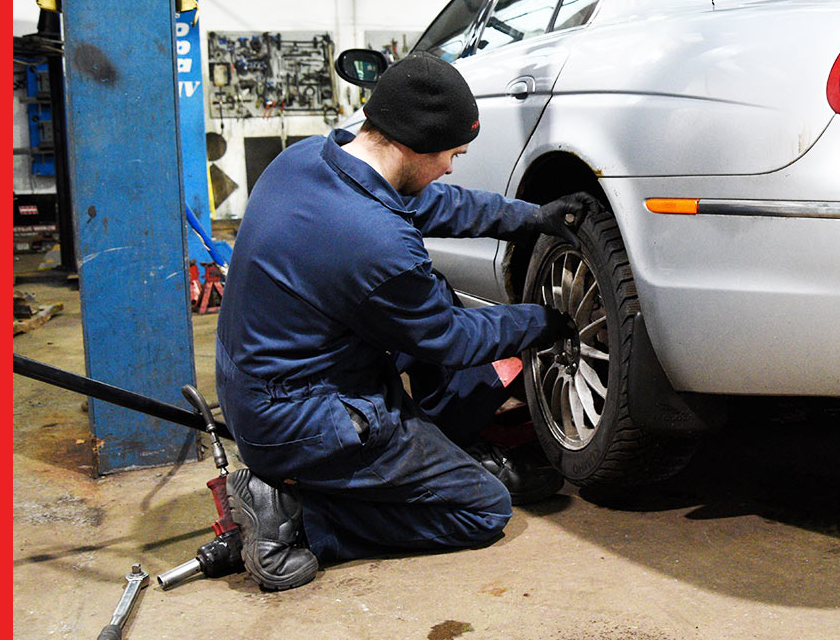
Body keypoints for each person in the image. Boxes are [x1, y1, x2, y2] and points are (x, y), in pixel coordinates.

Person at [214, 52, 585, 591]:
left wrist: (530, 218)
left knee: (426, 290)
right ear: (414, 144)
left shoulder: (304, 163)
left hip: (258, 387)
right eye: (451, 154)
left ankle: (429, 456)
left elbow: (432, 204)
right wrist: (540, 322)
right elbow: (450, 340)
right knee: (484, 509)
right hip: (307, 421)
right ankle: (297, 515)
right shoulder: (378, 243)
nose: (451, 168)